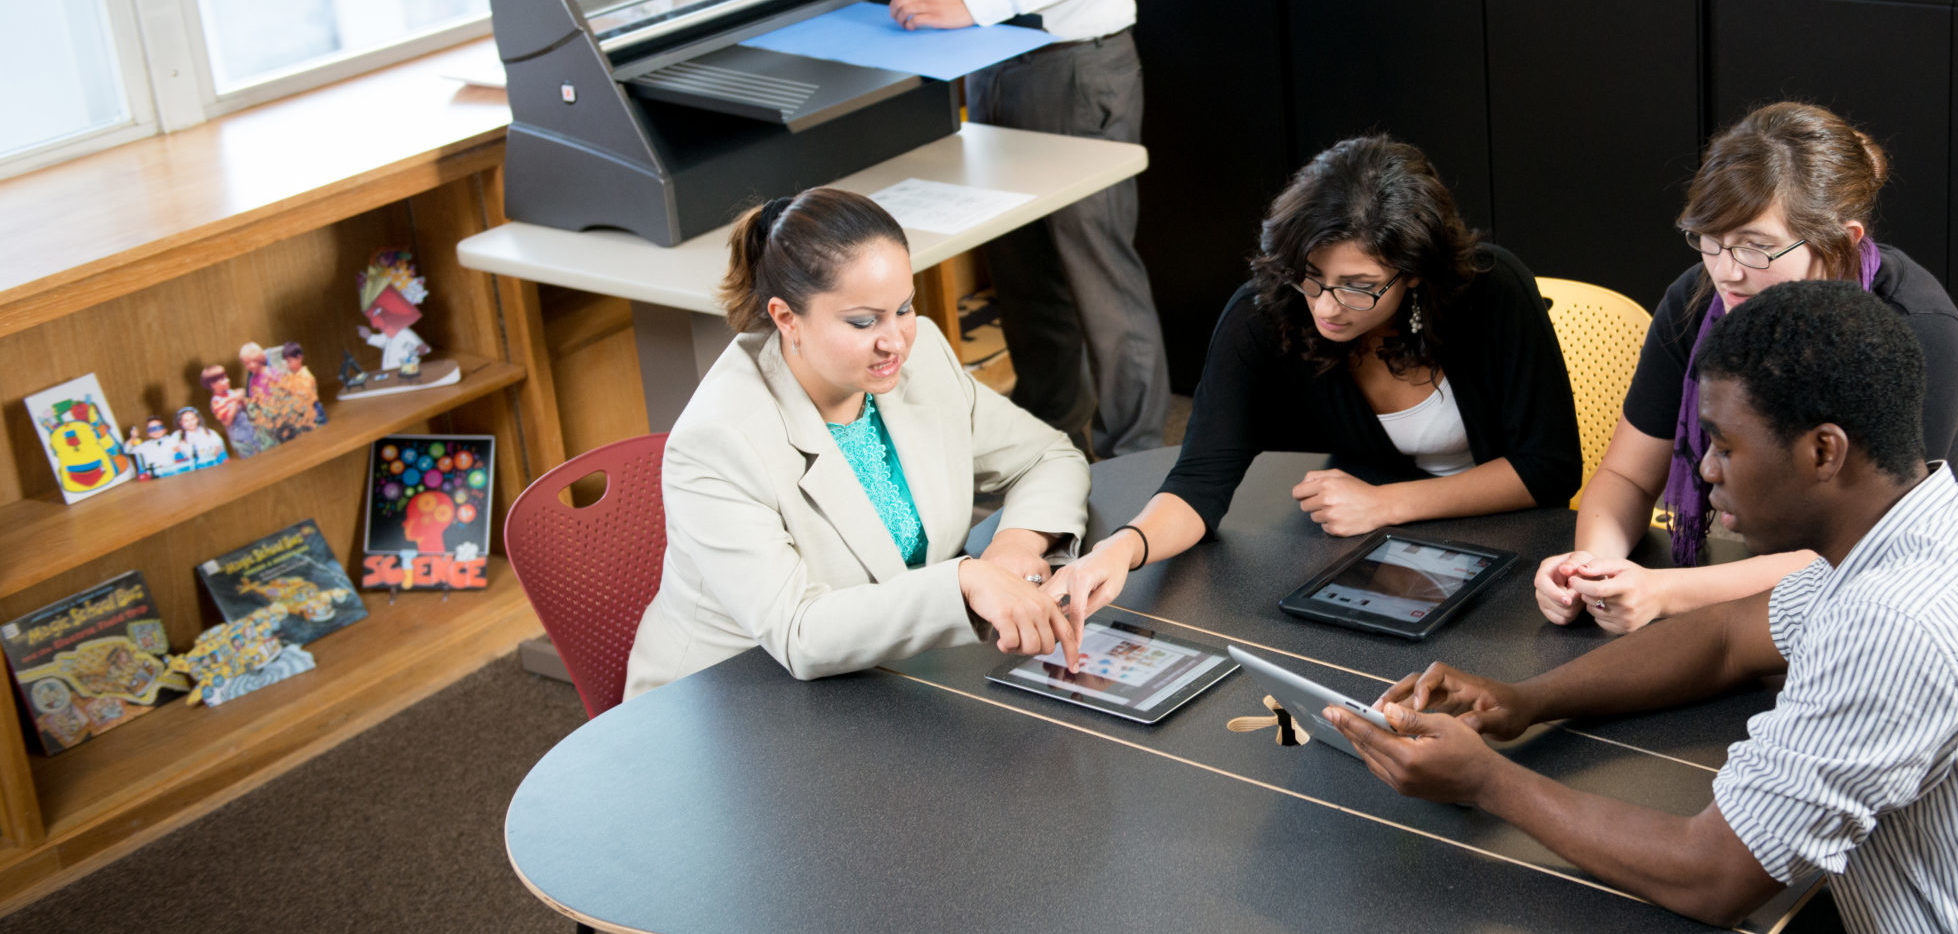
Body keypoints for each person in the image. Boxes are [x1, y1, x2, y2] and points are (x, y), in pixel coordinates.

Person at [1326, 281, 1958, 932]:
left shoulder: (1897, 622)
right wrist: (1526, 702)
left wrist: (1486, 782)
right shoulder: (1946, 524)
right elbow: (1733, 637)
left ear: (1823, 451)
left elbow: (1716, 877)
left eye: (1727, 447)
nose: (1703, 474)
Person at [1049, 135, 1580, 621]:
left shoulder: (1490, 293)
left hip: (1511, 540)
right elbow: (1198, 482)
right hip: (1375, 548)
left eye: (1359, 286)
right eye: (1312, 275)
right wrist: (1119, 550)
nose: (1327, 307)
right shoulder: (1267, 312)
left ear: (1415, 270)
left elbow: (1549, 470)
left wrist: (1388, 502)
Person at [624, 187, 1094, 700]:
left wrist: (1012, 548)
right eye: (864, 321)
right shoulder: (719, 441)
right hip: (733, 703)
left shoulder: (921, 356)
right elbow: (800, 633)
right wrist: (964, 581)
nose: (895, 341)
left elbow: (1048, 455)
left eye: (904, 308)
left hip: (873, 679)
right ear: (786, 319)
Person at [1536, 101, 1958, 635]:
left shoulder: (1918, 329)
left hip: (1892, 598)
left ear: (1845, 241)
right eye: (1712, 242)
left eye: (1757, 248)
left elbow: (1867, 547)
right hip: (1741, 572)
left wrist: (1663, 591)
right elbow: (1627, 475)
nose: (1727, 272)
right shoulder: (1698, 301)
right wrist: (1593, 572)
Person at [888, 0, 1170, 459]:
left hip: (1071, 61)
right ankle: (1049, 450)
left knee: (1099, 276)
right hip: (983, 56)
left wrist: (973, 5)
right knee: (1021, 273)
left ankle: (1136, 463)